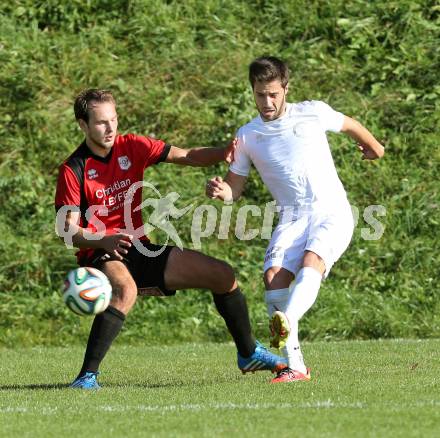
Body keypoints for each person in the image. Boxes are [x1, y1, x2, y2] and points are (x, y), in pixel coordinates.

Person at [55, 88, 287, 389]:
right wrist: (104, 240)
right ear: (83, 125)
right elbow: (68, 231)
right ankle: (86, 377)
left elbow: (187, 156)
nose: (110, 128)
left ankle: (248, 353)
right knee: (125, 290)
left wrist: (225, 152)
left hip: (140, 248)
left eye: (113, 120)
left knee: (222, 274)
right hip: (100, 253)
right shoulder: (73, 169)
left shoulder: (133, 146)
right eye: (101, 123)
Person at [206, 56, 384, 383]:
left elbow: (349, 124)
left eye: (273, 94)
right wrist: (222, 191)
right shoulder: (247, 136)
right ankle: (296, 366)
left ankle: (287, 318)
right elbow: (235, 188)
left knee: (311, 261)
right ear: (253, 91)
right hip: (291, 217)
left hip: (331, 210)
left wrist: (373, 146)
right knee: (273, 278)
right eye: (260, 94)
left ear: (286, 88)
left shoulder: (311, 112)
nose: (267, 101)